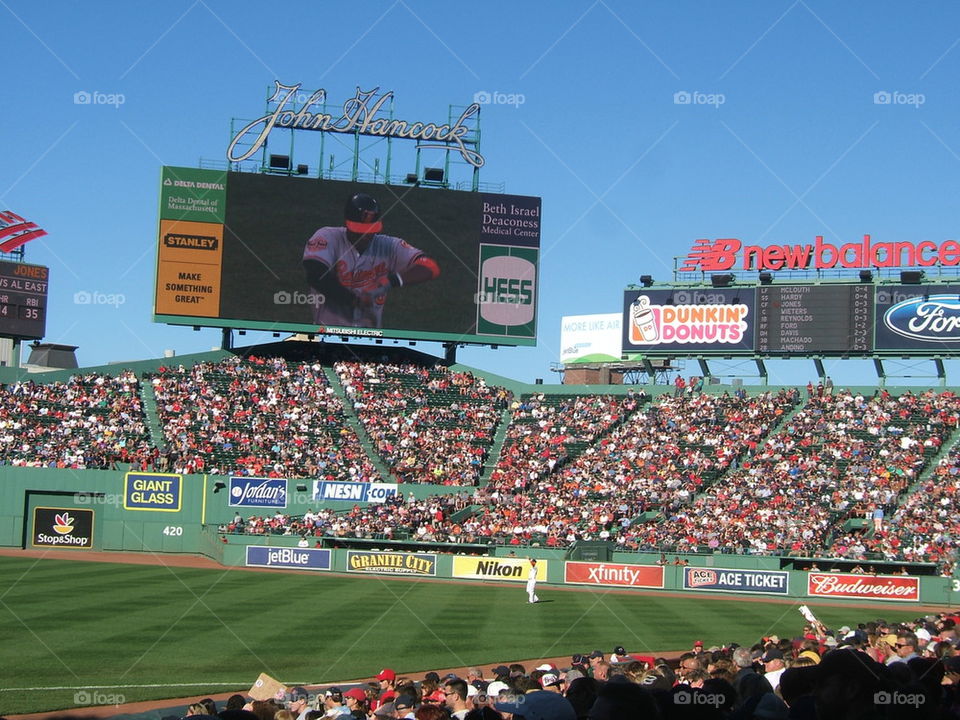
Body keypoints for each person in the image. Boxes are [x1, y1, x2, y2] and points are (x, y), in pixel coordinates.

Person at [302, 193, 440, 328]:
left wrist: (391, 281)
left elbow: (430, 266)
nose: (366, 235)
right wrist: (354, 300)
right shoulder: (328, 236)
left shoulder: (389, 245)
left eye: (370, 230)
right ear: (347, 224)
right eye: (360, 230)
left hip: (370, 338)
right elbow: (316, 275)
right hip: (326, 335)